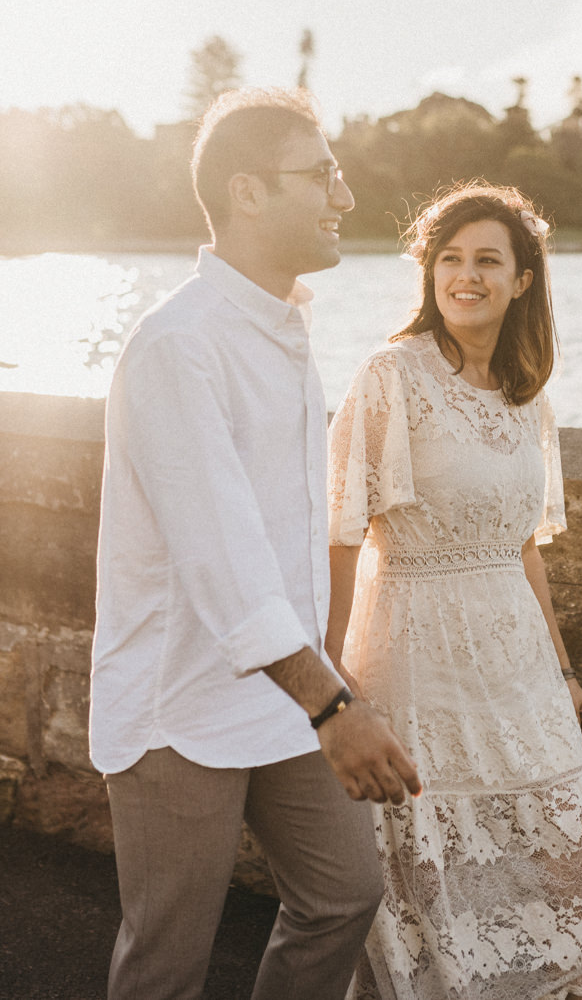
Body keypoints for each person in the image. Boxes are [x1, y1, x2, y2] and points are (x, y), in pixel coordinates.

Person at [90, 87, 422, 1000]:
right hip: (180, 704)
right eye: (323, 175)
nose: (344, 197)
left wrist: (319, 688)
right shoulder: (179, 345)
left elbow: (290, 534)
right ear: (247, 192)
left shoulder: (283, 327)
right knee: (167, 961)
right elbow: (222, 558)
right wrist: (335, 707)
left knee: (344, 894)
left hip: (284, 692)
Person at [326, 184, 582, 1000]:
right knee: (433, 890)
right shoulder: (390, 376)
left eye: (486, 261)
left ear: (523, 280)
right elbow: (339, 532)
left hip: (517, 668)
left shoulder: (525, 391)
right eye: (450, 259)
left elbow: (523, 549)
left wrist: (565, 671)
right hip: (416, 657)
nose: (464, 276)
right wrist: (335, 686)